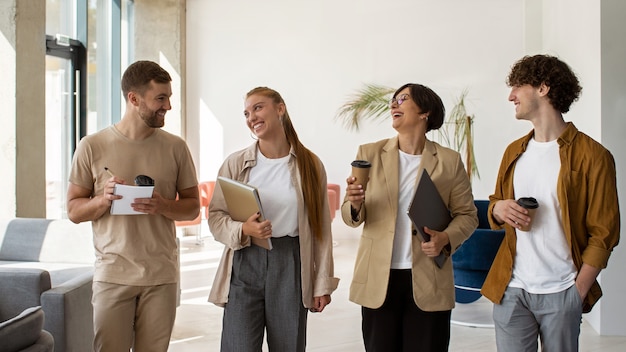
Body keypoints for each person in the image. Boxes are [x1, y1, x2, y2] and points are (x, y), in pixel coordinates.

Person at [481, 54, 621, 351]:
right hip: (512, 288)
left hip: (562, 290)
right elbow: (495, 202)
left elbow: (604, 232)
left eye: (518, 86)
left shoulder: (594, 156)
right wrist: (499, 208)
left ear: (543, 88)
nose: (511, 96)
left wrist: (577, 290)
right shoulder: (513, 152)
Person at [66, 60, 200, 351]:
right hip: (113, 274)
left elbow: (192, 207)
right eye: (160, 99)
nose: (168, 106)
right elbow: (74, 211)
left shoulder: (176, 147)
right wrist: (104, 200)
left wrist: (162, 205)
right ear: (134, 99)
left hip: (161, 276)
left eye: (169, 98)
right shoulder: (91, 146)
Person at [342, 83, 478, 351]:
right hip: (379, 279)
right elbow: (351, 216)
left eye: (403, 99)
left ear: (425, 111)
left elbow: (468, 215)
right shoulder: (369, 153)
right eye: (393, 100)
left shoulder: (449, 161)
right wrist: (355, 203)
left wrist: (446, 238)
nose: (394, 104)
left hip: (429, 280)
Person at [207, 86, 339, 351]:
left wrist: (321, 282)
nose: (251, 117)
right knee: (238, 345)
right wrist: (243, 229)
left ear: (280, 109)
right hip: (244, 260)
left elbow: (321, 229)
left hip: (290, 261)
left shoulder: (311, 165)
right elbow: (215, 217)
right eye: (246, 113)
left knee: (288, 345)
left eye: (258, 107)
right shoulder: (236, 163)